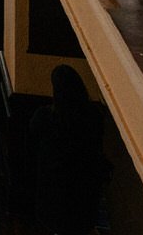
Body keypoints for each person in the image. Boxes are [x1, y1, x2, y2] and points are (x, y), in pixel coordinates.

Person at [30, 65, 111, 235]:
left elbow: (31, 147)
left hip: (55, 189)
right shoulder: (93, 116)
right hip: (84, 188)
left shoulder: (45, 117)